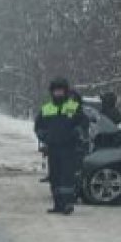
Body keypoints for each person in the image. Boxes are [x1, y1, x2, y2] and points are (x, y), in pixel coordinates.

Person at [34, 78, 90, 214]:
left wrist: (77, 132)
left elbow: (83, 122)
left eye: (61, 90)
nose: (58, 93)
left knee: (67, 177)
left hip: (69, 148)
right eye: (56, 91)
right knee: (55, 177)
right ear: (52, 92)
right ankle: (58, 205)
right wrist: (44, 136)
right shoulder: (46, 108)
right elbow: (38, 126)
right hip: (53, 148)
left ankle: (68, 204)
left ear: (65, 91)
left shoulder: (72, 106)